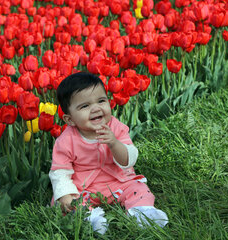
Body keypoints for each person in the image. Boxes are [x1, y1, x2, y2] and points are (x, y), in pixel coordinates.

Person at [49, 72, 168, 234]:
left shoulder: (115, 127)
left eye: (101, 101)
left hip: (118, 181)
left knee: (137, 187)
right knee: (66, 201)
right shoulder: (66, 140)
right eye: (85, 106)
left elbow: (129, 159)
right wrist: (65, 195)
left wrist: (114, 143)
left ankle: (142, 211)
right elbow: (60, 172)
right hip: (85, 188)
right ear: (69, 119)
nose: (96, 108)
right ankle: (90, 218)